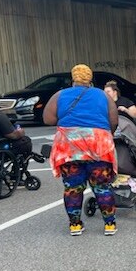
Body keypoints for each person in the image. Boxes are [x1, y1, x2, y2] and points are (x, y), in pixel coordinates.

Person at [43, 64, 119, 236]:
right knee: (102, 186)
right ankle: (109, 224)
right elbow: (113, 120)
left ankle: (75, 225)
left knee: (73, 187)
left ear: (73, 79)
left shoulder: (60, 95)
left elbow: (48, 119)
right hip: (98, 144)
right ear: (90, 79)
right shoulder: (102, 95)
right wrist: (106, 136)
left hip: (69, 146)